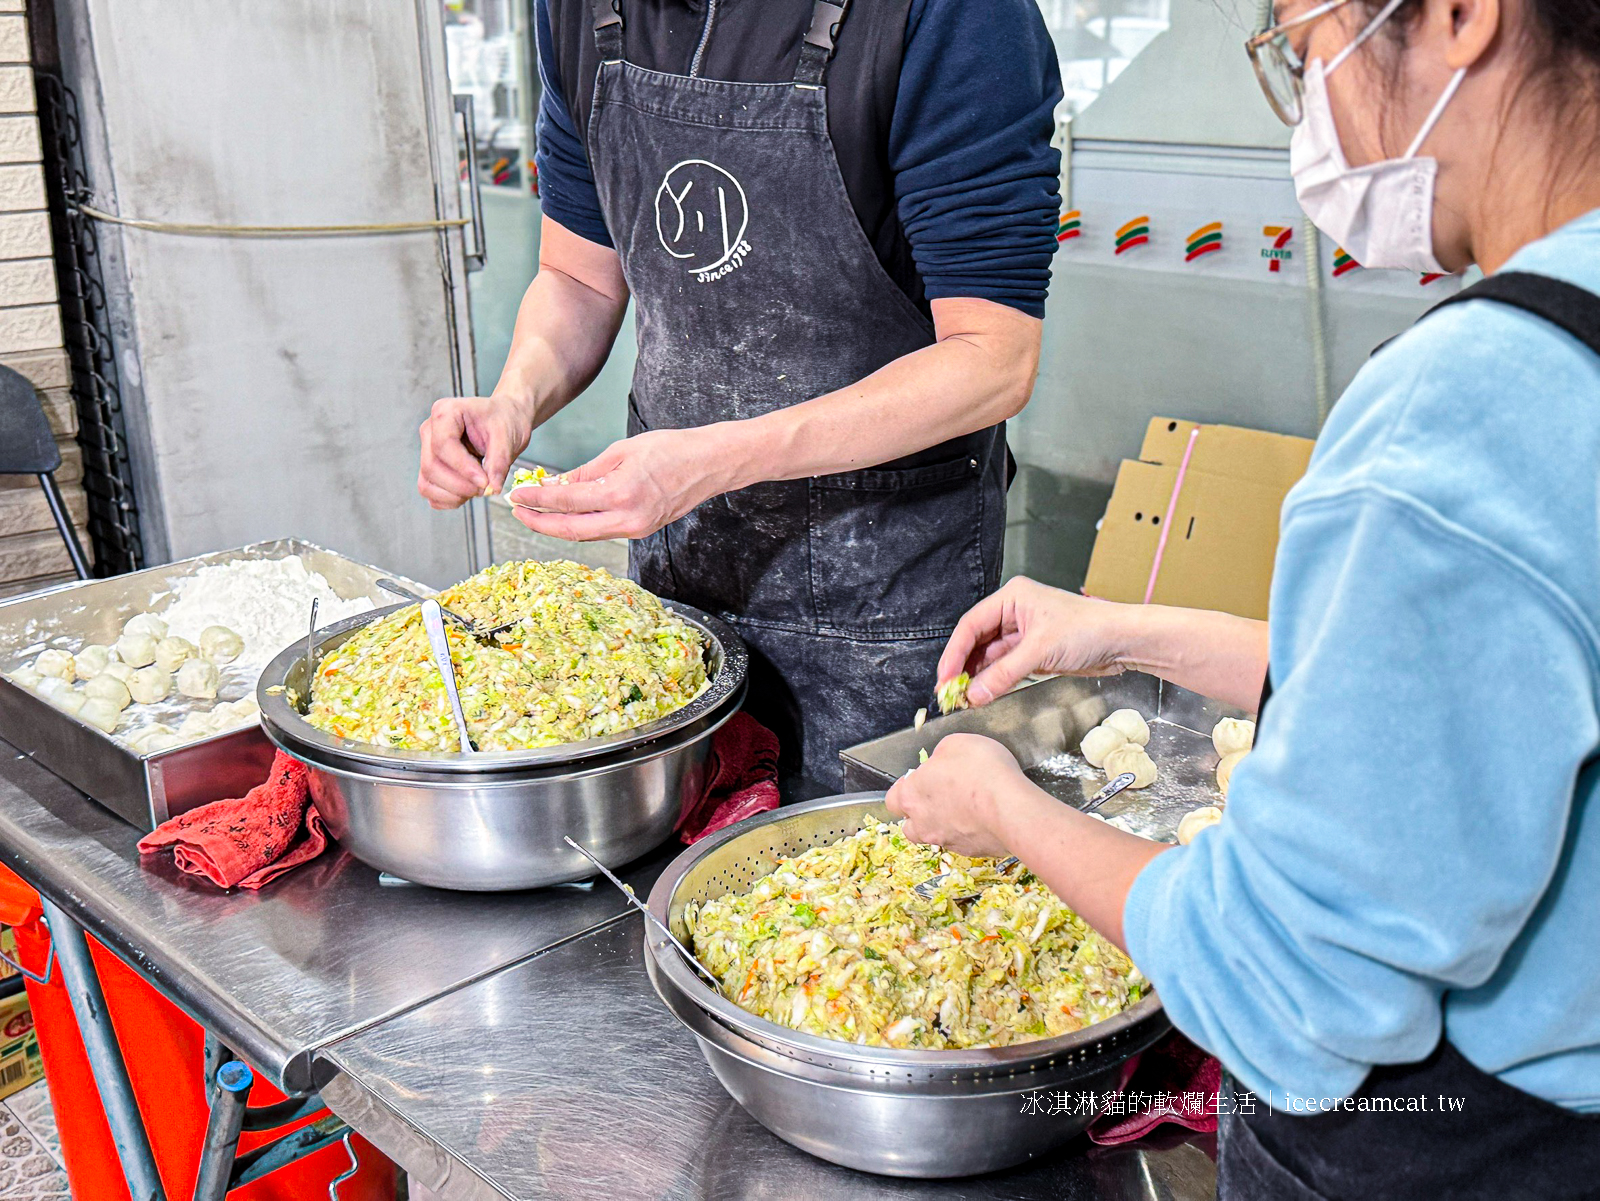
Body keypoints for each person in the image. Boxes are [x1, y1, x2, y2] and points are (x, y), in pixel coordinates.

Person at [887, 0, 1600, 1195]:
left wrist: (1005, 810)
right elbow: (1494, 688)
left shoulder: (1469, 408)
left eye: (1300, 49)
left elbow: (1293, 990)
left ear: (1466, 17)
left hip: (1468, 1146)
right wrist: (1122, 629)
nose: (1306, 110)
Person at [416, 0, 1063, 788]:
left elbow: (993, 357)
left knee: (858, 885)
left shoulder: (954, 18)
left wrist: (718, 458)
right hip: (675, 577)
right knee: (670, 875)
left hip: (883, 600)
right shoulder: (580, 13)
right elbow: (578, 277)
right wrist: (513, 401)